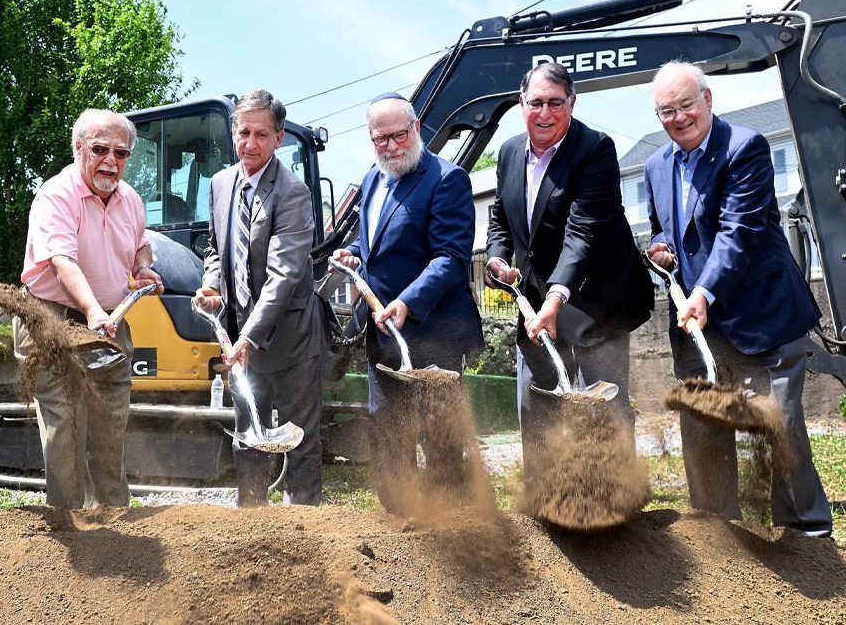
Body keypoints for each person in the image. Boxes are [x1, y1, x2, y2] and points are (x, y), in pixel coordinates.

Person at [645, 61, 832, 536]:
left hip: (758, 315)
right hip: (696, 329)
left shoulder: (743, 147)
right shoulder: (654, 165)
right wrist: (660, 246)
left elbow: (738, 233)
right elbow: (665, 226)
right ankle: (720, 537)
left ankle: (808, 539)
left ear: (708, 99)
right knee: (703, 432)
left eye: (686, 105)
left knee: (779, 430)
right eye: (667, 110)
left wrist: (704, 291)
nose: (678, 117)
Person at [484, 63, 653, 485]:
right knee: (537, 403)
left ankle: (612, 504)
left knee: (603, 407)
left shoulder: (594, 149)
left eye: (555, 103)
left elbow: (584, 232)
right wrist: (497, 257)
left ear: (572, 103)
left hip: (598, 302)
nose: (544, 113)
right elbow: (501, 218)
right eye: (535, 103)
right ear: (521, 104)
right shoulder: (508, 152)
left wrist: (557, 299)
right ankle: (546, 501)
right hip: (536, 303)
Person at [331, 92, 484, 514]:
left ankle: (456, 527)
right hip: (384, 332)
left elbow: (451, 257)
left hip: (436, 332)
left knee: (440, 435)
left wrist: (407, 301)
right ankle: (401, 522)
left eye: (399, 134)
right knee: (387, 429)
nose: (391, 146)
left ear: (416, 128)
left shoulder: (447, 179)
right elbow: (376, 240)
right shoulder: (372, 179)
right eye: (381, 139)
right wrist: (356, 252)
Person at [16, 108, 163, 509]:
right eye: (100, 149)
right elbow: (62, 262)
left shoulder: (130, 199)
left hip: (110, 321)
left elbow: (139, 244)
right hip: (51, 317)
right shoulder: (56, 195)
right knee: (65, 421)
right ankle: (70, 519)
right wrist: (93, 311)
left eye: (121, 153)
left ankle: (112, 515)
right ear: (78, 148)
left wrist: (142, 267)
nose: (111, 161)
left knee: (111, 415)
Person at [194, 89, 325, 507]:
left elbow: (284, 274)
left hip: (289, 341)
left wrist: (248, 337)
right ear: (233, 131)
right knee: (248, 436)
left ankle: (306, 525)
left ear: (279, 138)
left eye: (261, 135)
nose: (250, 144)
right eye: (243, 132)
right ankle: (251, 521)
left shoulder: (293, 192)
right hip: (239, 339)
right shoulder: (219, 184)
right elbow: (215, 247)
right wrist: (212, 284)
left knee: (299, 439)